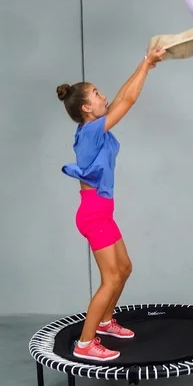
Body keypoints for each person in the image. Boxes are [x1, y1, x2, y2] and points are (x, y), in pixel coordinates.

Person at [55, 46, 166, 361]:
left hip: (103, 212)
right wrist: (146, 62)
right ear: (87, 107)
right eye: (97, 94)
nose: (104, 97)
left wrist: (145, 67)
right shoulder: (91, 131)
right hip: (93, 214)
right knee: (111, 277)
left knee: (125, 268)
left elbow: (121, 99)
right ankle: (85, 343)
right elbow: (128, 100)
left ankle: (106, 322)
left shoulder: (94, 127)